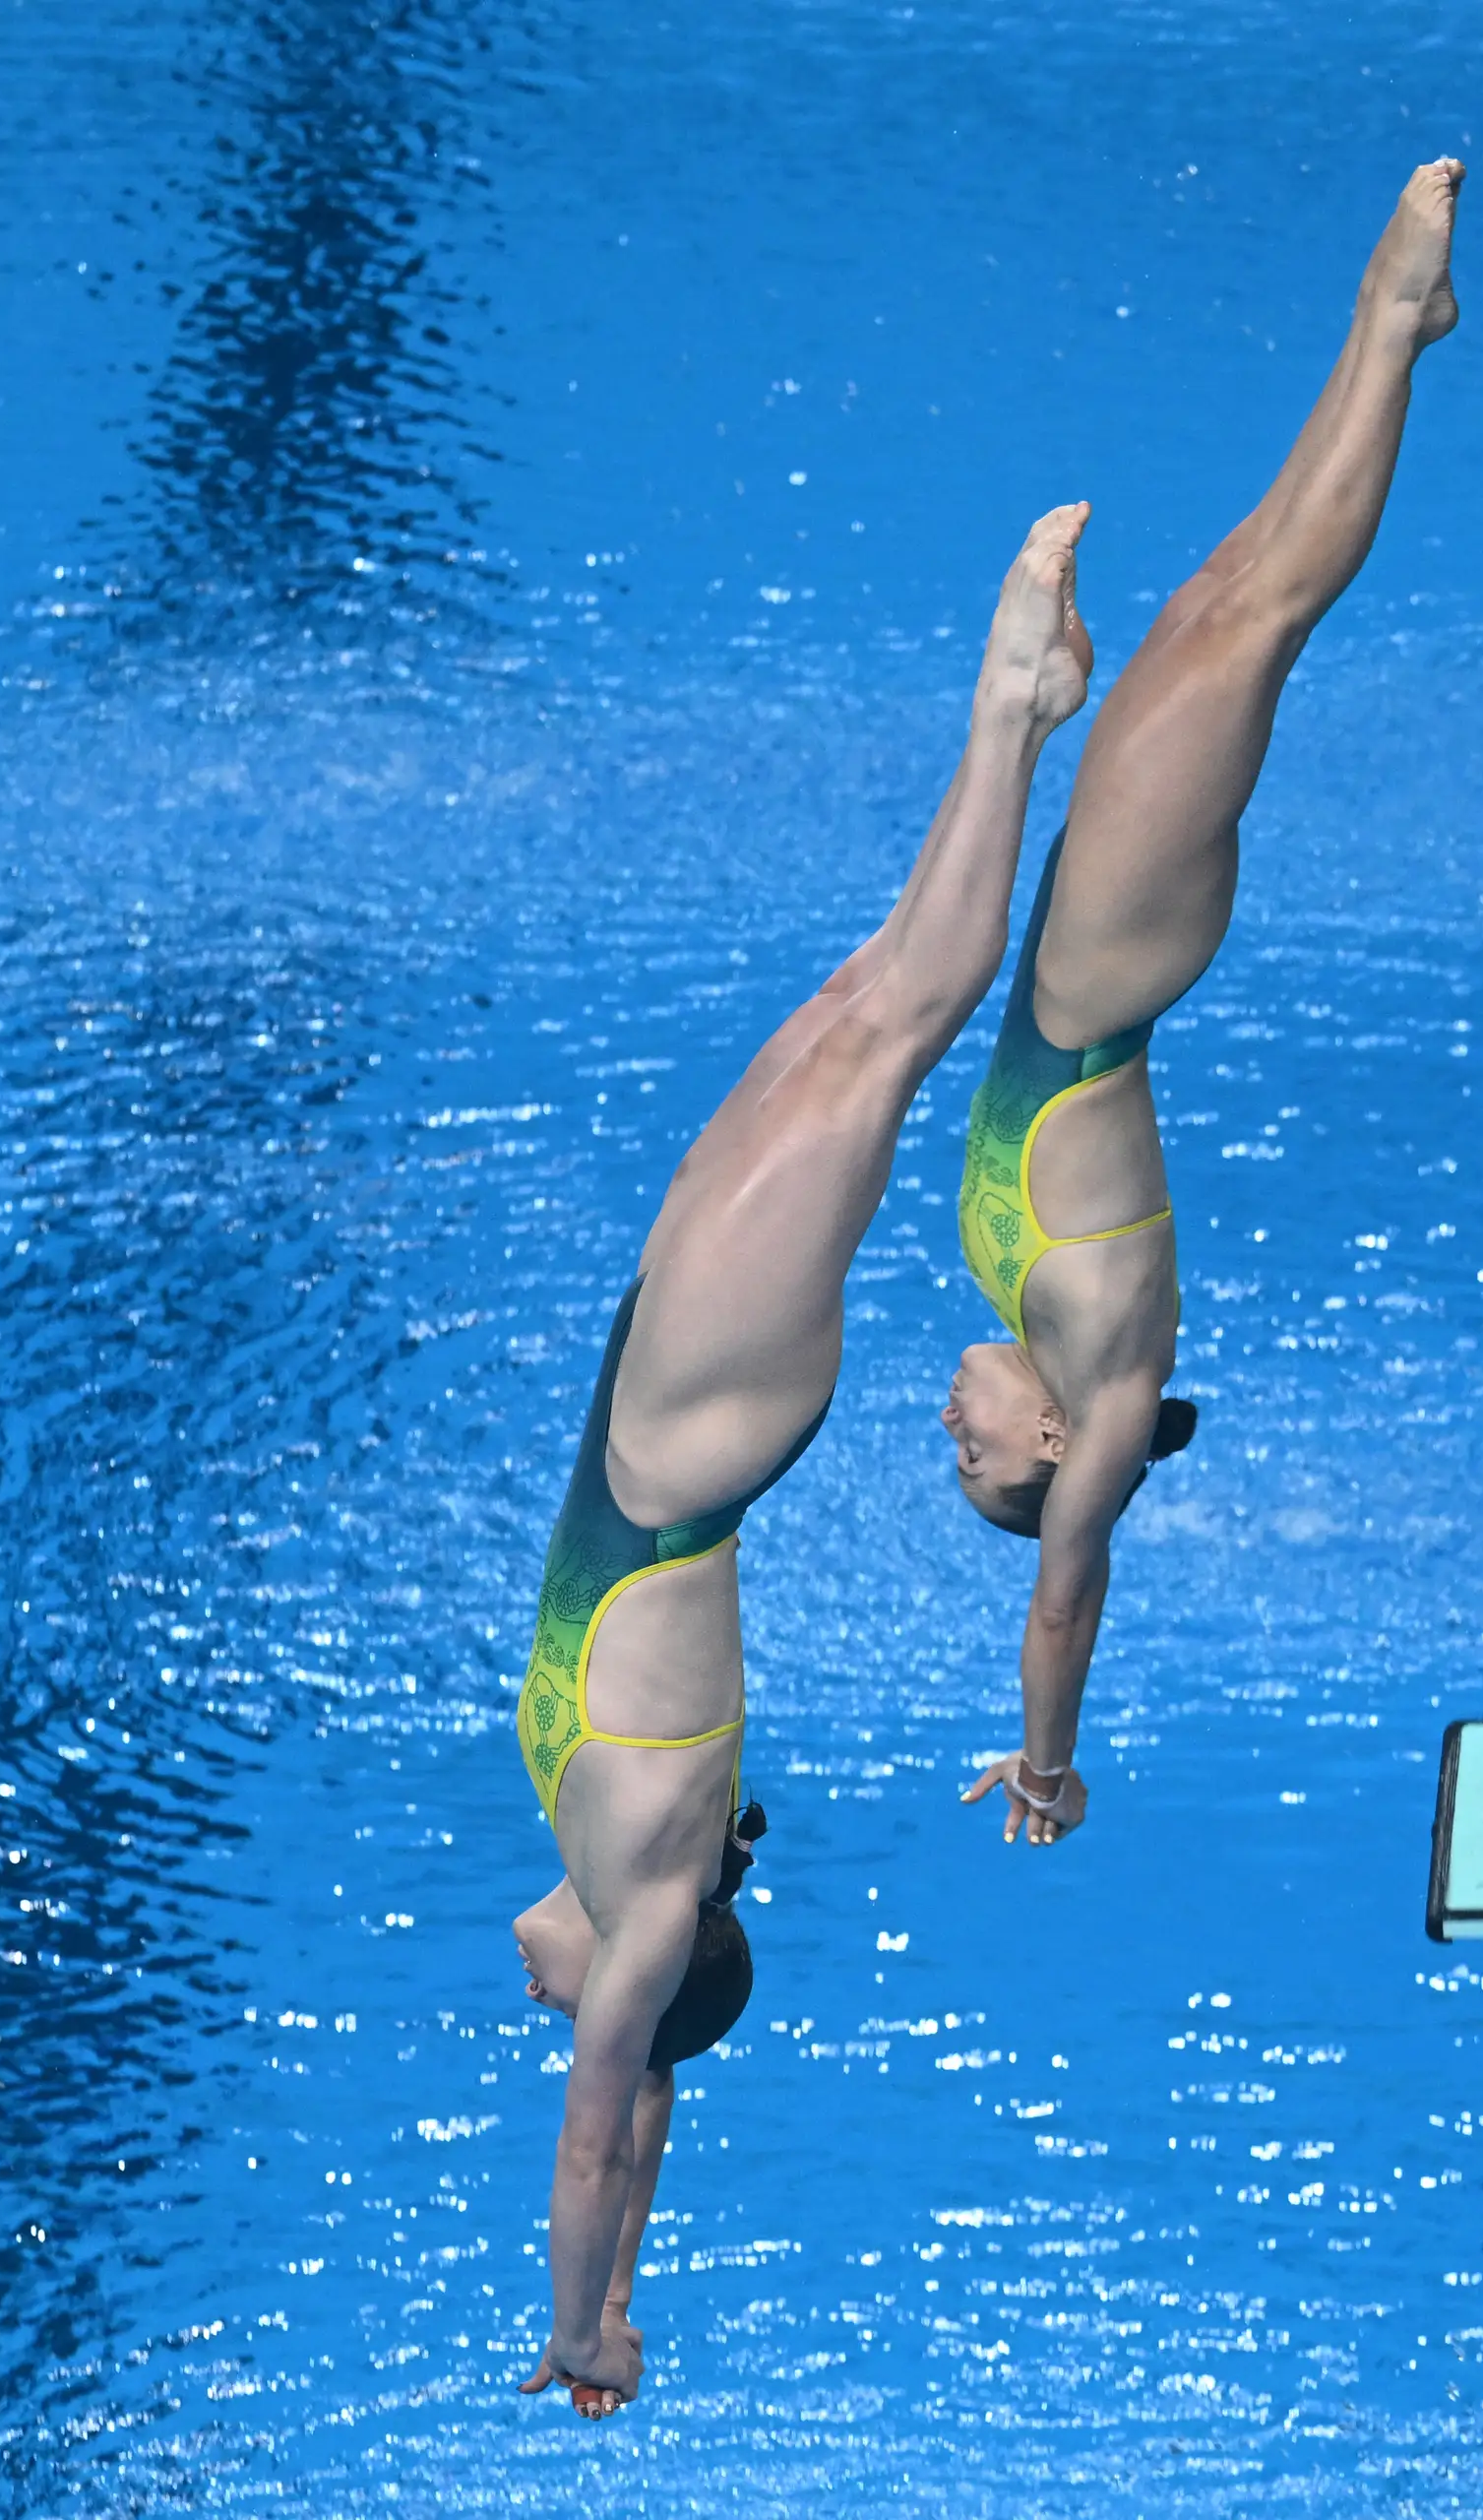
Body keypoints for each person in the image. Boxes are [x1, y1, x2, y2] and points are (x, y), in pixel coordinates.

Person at [506, 504, 1096, 2417]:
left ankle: (1020, 705)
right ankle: (1020, 700)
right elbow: (611, 2133)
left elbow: (646, 2114)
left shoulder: (626, 1883)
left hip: (665, 1381)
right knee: (899, 1029)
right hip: (703, 1417)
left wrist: (628, 2272)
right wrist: (587, 2325)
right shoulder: (652, 1904)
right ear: (643, 1992)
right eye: (589, 2023)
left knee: (862, 1005)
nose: (550, 2016)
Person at [949, 160, 1463, 1848]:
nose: (944, 1433)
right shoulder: (1095, 1412)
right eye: (969, 1462)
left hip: (1091, 955)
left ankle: (1397, 324)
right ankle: (1395, 323)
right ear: (1044, 1445)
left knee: (1230, 598)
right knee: (1263, 614)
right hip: (1110, 967)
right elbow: (1064, 1599)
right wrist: (1045, 1759)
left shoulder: (1052, 1343)